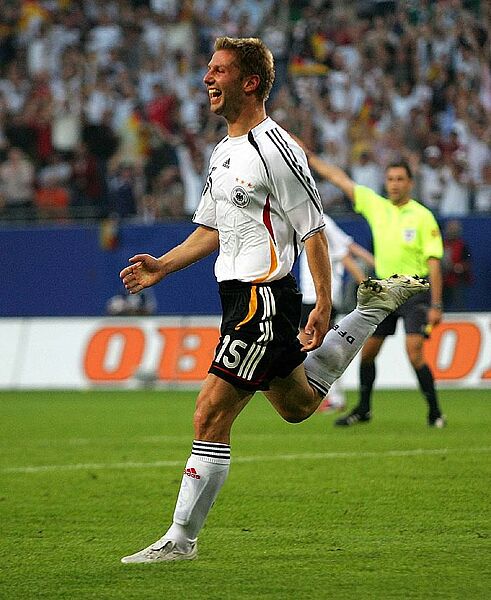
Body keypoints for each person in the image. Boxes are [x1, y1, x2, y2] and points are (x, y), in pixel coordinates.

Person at [118, 37, 429, 564]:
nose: (207, 79)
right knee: (297, 405)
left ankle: (181, 540)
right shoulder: (223, 151)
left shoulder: (277, 149)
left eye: (218, 71)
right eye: (208, 69)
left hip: (263, 300)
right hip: (237, 299)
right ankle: (373, 309)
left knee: (209, 414)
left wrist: (323, 304)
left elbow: (313, 230)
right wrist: (163, 267)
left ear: (250, 82)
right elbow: (212, 228)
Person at [301, 150, 446, 429]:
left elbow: (434, 263)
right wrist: (309, 156)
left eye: (400, 179)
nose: (394, 184)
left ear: (410, 183)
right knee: (367, 353)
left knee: (414, 352)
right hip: (384, 292)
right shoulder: (377, 206)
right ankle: (364, 409)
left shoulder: (423, 216)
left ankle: (435, 412)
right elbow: (340, 179)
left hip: (414, 290)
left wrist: (437, 305)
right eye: (390, 179)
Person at [299, 213, 374, 411]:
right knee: (314, 347)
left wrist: (366, 285)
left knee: (307, 346)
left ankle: (329, 396)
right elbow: (348, 247)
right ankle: (331, 396)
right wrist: (376, 264)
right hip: (317, 296)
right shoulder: (318, 219)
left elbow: (344, 255)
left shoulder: (318, 219)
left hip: (319, 296)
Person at [441, 219, 472, 311]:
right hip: (443, 281)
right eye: (450, 229)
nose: (452, 231)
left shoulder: (462, 245)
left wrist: (458, 267)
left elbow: (467, 263)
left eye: (454, 229)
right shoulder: (442, 244)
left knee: (459, 306)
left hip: (457, 282)